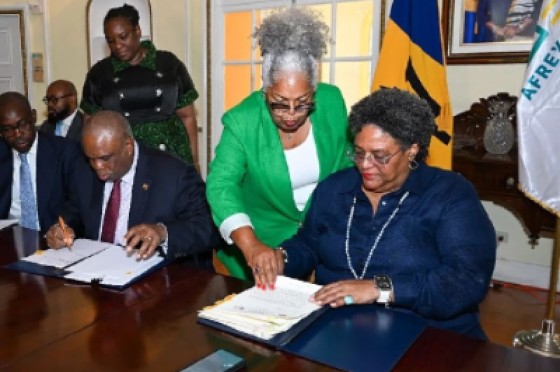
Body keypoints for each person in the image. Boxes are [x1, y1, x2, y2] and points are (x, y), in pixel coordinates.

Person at [260, 88, 497, 339]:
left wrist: (379, 288)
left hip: (428, 335)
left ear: (412, 150)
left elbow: (465, 280)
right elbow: (309, 244)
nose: (365, 165)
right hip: (338, 330)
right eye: (359, 153)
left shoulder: (450, 195)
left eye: (380, 156)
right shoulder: (334, 188)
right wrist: (282, 257)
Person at [206, 7, 351, 280]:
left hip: (321, 243)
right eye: (280, 104)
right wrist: (250, 244)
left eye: (304, 103)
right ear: (265, 90)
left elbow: (346, 165)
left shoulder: (332, 102)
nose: (292, 115)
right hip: (259, 248)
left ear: (315, 90)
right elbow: (221, 185)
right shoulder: (242, 121)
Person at [45, 110, 219, 262]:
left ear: (128, 146)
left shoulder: (174, 174)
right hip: (94, 273)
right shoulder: (84, 169)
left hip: (156, 279)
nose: (97, 166)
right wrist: (64, 228)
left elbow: (208, 227)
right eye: (91, 158)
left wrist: (163, 232)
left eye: (105, 158)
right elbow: (75, 210)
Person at [80, 4, 199, 167]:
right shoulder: (100, 74)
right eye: (111, 40)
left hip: (172, 153)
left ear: (138, 31)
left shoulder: (168, 63)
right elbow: (91, 126)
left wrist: (195, 161)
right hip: (124, 157)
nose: (117, 45)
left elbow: (187, 116)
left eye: (123, 37)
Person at [0, 92, 78, 232]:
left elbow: (77, 203)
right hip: (8, 237)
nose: (17, 134)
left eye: (22, 124)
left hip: (51, 239)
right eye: (8, 129)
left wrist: (63, 227)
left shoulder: (65, 151)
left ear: (33, 117)